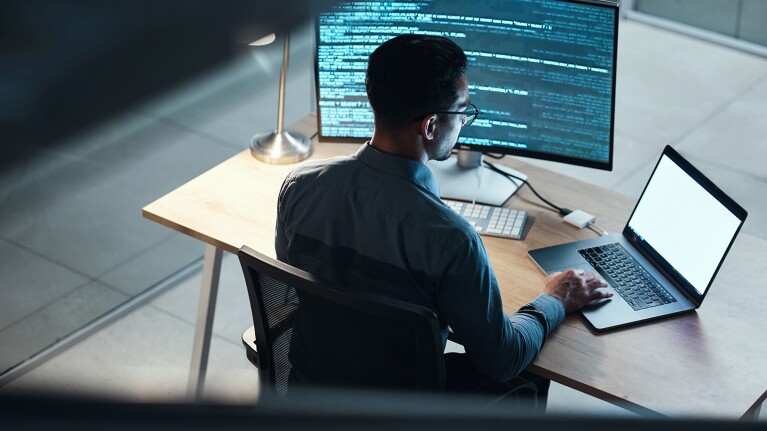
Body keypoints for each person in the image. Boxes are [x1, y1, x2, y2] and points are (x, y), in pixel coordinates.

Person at [275, 34, 611, 398]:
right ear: (431, 126)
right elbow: (502, 358)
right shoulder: (451, 239)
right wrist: (556, 298)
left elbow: (298, 286)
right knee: (528, 372)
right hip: (402, 411)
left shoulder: (299, 186)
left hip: (309, 396)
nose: (465, 121)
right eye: (463, 110)